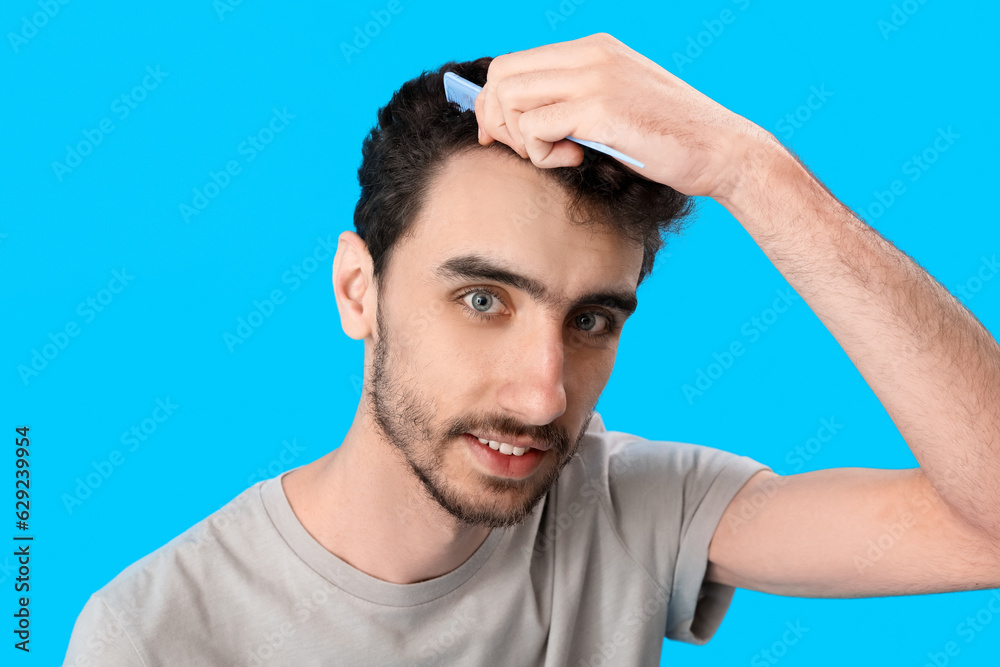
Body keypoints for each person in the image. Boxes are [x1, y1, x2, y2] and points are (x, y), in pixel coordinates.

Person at [64, 33, 1000, 666]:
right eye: (482, 298)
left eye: (592, 319)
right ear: (360, 291)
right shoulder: (151, 633)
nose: (544, 395)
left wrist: (748, 170)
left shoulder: (636, 508)